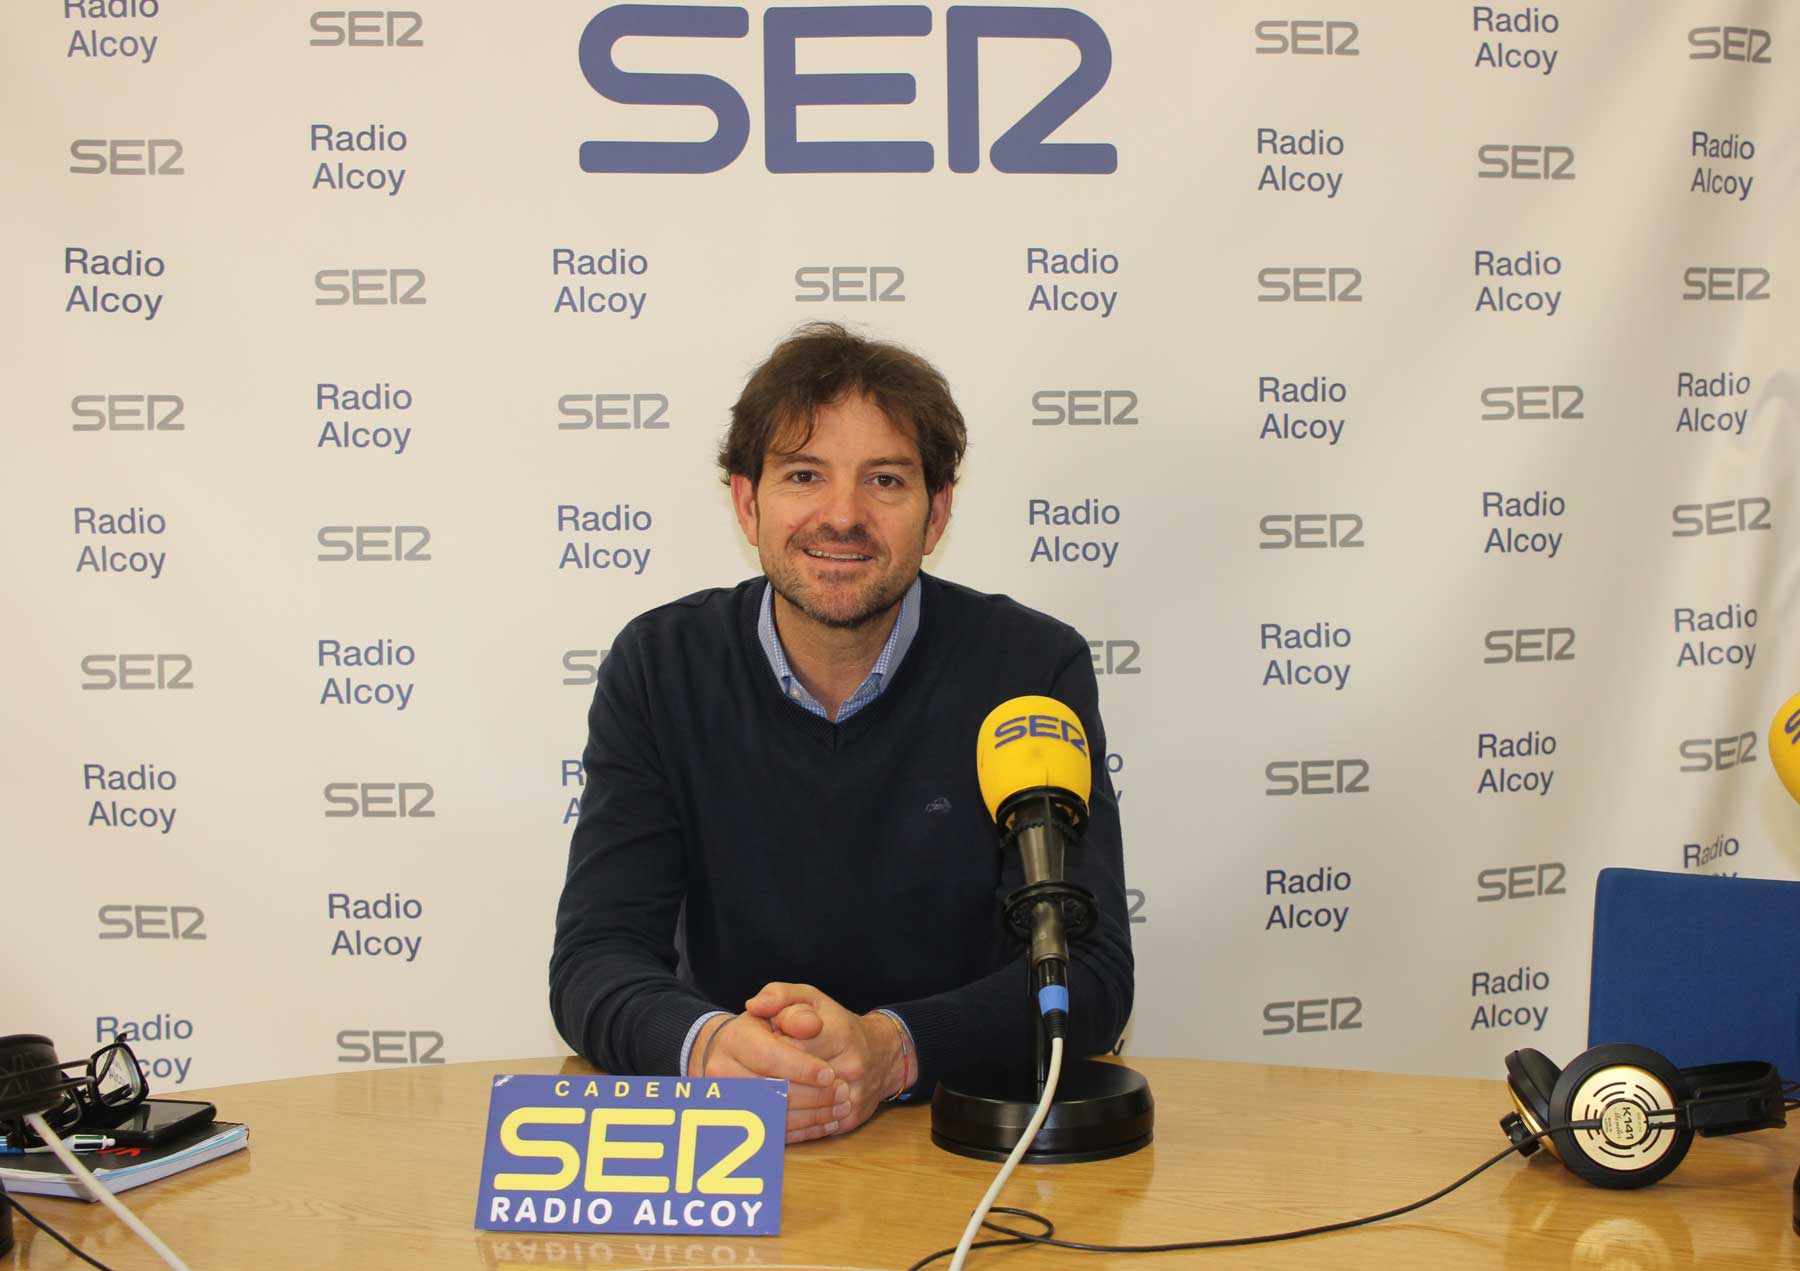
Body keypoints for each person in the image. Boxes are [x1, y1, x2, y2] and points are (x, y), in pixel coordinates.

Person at [549, 322, 1133, 1144]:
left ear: (937, 514)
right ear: (747, 501)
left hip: (958, 1150)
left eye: (886, 480)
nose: (842, 515)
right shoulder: (658, 666)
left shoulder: (1031, 668)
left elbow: (1089, 972)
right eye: (803, 475)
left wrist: (891, 1049)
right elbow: (594, 958)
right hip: (737, 1149)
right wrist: (709, 1046)